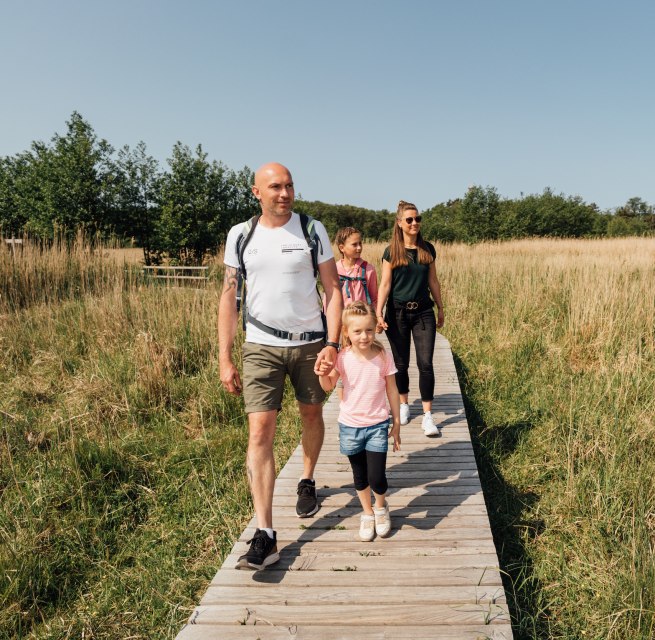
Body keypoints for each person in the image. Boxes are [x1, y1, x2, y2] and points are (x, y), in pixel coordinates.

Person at [218, 162, 343, 570]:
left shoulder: (312, 229)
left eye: (289, 185)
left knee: (311, 413)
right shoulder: (241, 235)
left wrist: (333, 343)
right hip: (260, 346)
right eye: (275, 187)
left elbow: (333, 290)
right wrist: (225, 356)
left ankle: (307, 479)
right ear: (257, 192)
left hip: (311, 346)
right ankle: (265, 533)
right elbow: (229, 297)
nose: (284, 193)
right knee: (260, 431)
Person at [315, 301, 401, 541]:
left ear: (375, 329)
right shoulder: (342, 358)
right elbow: (329, 386)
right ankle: (367, 513)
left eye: (369, 330)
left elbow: (392, 390)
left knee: (377, 477)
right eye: (357, 331)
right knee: (360, 476)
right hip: (350, 426)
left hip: (377, 425)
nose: (364, 336)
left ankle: (381, 507)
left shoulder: (383, 356)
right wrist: (323, 374)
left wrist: (397, 422)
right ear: (346, 333)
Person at [376, 200, 445, 437]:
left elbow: (433, 281)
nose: (414, 223)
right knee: (401, 363)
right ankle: (404, 405)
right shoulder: (391, 252)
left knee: (425, 363)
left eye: (417, 219)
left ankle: (427, 415)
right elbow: (385, 284)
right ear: (399, 223)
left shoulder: (428, 249)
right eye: (409, 219)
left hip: (424, 311)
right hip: (397, 313)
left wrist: (441, 307)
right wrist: (378, 311)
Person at [335, 226, 378, 309]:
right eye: (354, 244)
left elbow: (374, 299)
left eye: (360, 243)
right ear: (342, 248)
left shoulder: (369, 270)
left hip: (363, 319)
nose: (359, 247)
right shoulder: (334, 270)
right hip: (341, 319)